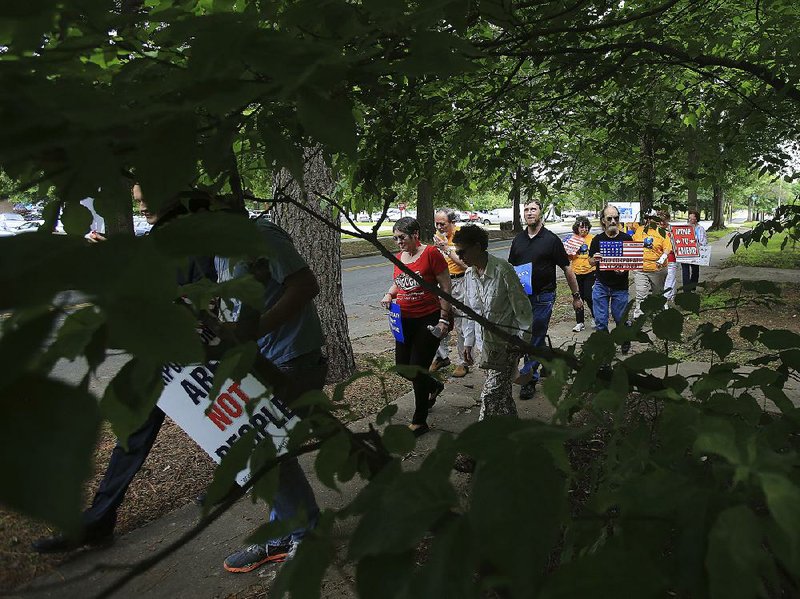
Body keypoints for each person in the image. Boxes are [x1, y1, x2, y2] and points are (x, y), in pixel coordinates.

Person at [32, 184, 217, 554]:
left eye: (147, 190)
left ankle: (248, 480)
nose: (139, 199)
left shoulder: (197, 236)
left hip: (203, 355)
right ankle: (99, 519)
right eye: (137, 193)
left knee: (226, 423)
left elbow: (203, 300)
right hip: (167, 356)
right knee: (133, 432)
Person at [219, 214, 327, 573]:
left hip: (290, 361)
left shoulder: (260, 235)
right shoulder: (213, 247)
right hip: (259, 361)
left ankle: (304, 535)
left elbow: (306, 285)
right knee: (268, 451)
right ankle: (288, 532)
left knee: (269, 451)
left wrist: (252, 330)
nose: (145, 213)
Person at [453, 225, 532, 472]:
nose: (460, 256)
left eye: (463, 250)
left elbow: (523, 312)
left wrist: (522, 343)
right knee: (502, 396)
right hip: (484, 346)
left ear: (478, 246)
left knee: (490, 395)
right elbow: (470, 312)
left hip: (506, 345)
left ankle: (474, 453)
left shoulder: (503, 271)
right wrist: (468, 343)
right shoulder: (469, 276)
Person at [380, 217, 451, 436]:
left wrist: (444, 319)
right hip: (404, 320)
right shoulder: (399, 257)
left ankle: (420, 421)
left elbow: (446, 287)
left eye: (402, 237)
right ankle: (433, 386)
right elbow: (399, 281)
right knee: (403, 366)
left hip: (428, 318)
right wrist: (389, 294)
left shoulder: (431, 253)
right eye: (395, 238)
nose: (398, 242)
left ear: (415, 235)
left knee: (417, 368)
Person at [508, 200, 583, 400]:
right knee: (523, 336)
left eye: (533, 209)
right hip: (522, 299)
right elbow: (510, 270)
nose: (529, 213)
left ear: (541, 213)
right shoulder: (518, 240)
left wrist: (576, 296)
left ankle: (528, 379)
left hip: (544, 297)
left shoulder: (551, 240)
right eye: (526, 210)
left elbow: (567, 268)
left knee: (536, 336)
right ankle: (545, 361)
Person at [588, 205, 633, 353]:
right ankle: (605, 348)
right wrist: (594, 260)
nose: (613, 221)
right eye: (609, 218)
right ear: (603, 221)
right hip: (601, 284)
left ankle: (625, 339)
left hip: (620, 287)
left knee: (620, 319)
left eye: (616, 218)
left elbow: (633, 261)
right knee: (601, 320)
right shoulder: (597, 240)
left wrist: (624, 269)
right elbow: (590, 261)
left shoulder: (627, 238)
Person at [431, 208, 469, 377]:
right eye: (437, 223)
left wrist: (447, 248)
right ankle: (441, 357)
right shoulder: (438, 236)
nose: (439, 227)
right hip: (442, 283)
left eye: (443, 224)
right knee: (440, 320)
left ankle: (464, 361)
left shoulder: (462, 236)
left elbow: (466, 264)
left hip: (460, 281)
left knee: (462, 324)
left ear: (452, 222)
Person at [631, 208, 672, 319]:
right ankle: (639, 314)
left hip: (657, 269)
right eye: (647, 219)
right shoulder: (639, 230)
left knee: (658, 293)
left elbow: (667, 248)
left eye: (652, 219)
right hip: (641, 268)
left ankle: (659, 311)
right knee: (640, 293)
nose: (649, 221)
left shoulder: (662, 232)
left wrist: (662, 258)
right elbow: (632, 243)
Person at [566, 216, 594, 332]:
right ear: (577, 227)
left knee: (589, 296)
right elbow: (568, 257)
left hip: (590, 271)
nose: (584, 229)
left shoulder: (593, 239)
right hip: (576, 272)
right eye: (582, 227)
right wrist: (572, 251)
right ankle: (579, 322)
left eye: (586, 227)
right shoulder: (572, 239)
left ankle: (595, 317)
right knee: (578, 297)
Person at [681, 209, 707, 291]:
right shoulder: (684, 228)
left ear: (696, 219)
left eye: (692, 218)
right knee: (685, 271)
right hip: (685, 251)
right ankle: (686, 289)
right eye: (689, 218)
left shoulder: (700, 228)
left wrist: (699, 244)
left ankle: (693, 286)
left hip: (696, 251)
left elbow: (703, 240)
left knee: (695, 270)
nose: (690, 220)